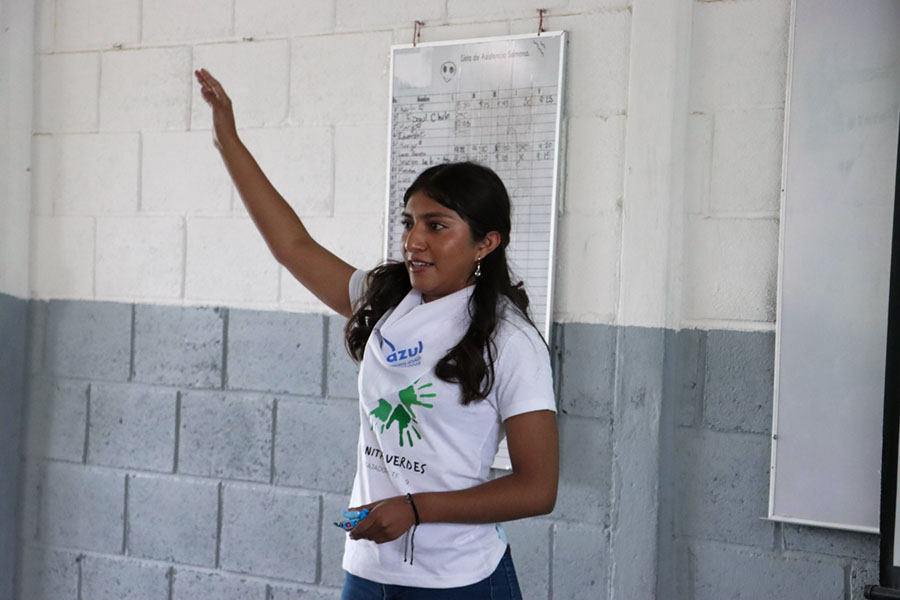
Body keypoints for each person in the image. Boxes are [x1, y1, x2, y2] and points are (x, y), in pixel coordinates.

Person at [195, 68, 559, 600]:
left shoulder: (511, 341)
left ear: (485, 243)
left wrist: (416, 511)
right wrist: (227, 139)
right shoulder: (389, 298)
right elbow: (292, 246)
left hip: (458, 579)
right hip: (369, 571)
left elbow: (537, 488)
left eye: (437, 225)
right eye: (408, 221)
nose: (413, 239)